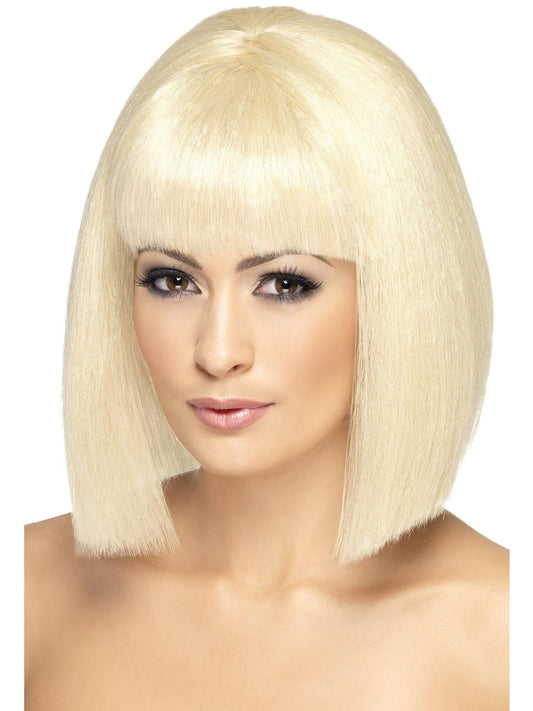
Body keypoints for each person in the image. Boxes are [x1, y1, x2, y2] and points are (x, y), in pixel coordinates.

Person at [25, 6, 509, 708]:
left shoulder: (498, 636)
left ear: (400, 294)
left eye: (284, 284)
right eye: (173, 280)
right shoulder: (30, 591)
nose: (218, 351)